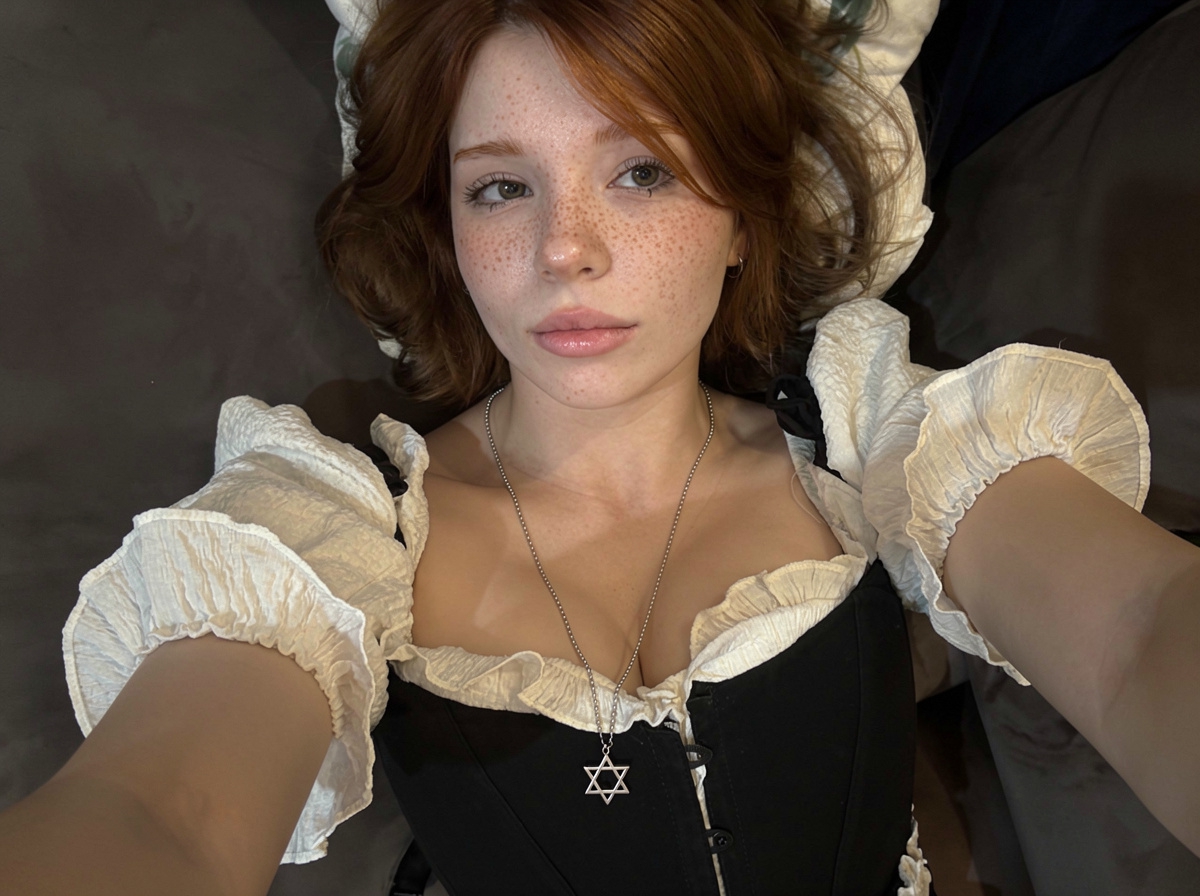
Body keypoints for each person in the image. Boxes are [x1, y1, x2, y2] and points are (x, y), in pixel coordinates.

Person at [2, 0, 1198, 894]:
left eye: (640, 171)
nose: (565, 248)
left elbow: (1141, 630)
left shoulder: (872, 434)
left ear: (745, 218)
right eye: (501, 188)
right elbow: (167, 813)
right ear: (446, 228)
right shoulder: (332, 526)